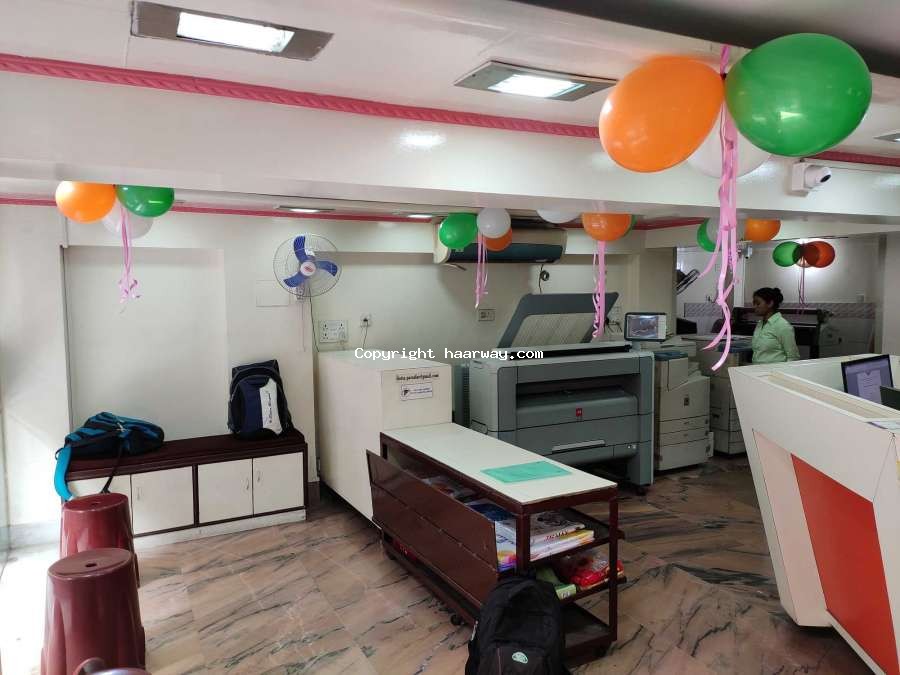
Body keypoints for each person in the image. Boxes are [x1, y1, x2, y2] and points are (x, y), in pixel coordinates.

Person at [751, 287, 800, 364]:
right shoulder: (760, 324)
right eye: (754, 303)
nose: (754, 306)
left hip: (775, 370)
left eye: (758, 303)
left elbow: (793, 357)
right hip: (757, 369)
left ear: (770, 303)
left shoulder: (783, 326)